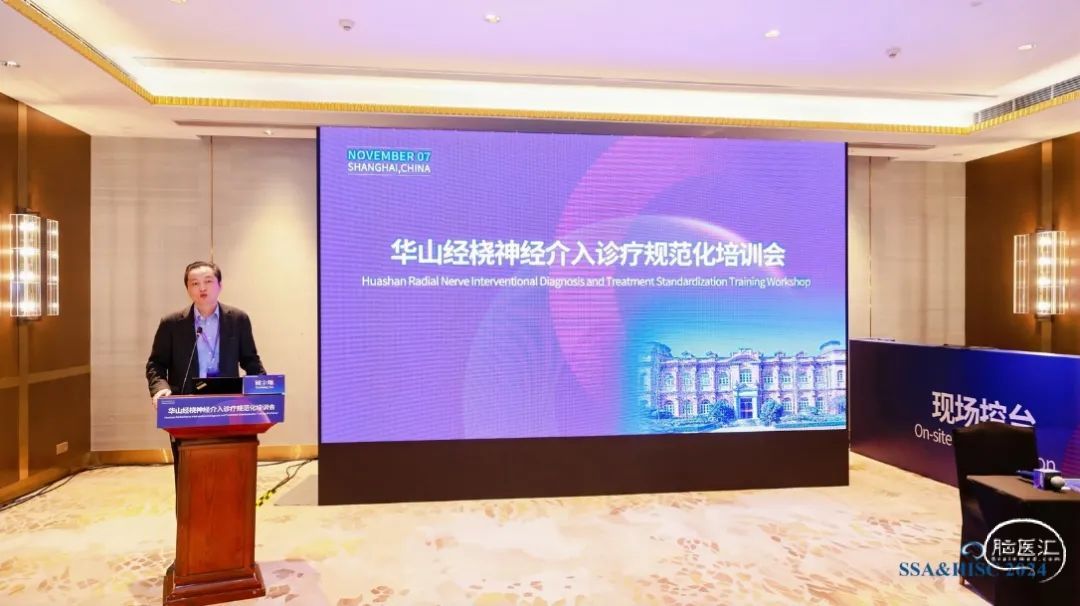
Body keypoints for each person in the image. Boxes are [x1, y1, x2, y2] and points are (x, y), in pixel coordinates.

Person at [146, 261, 267, 474]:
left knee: (229, 469)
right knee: (190, 472)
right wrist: (160, 389)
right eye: (195, 283)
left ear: (220, 285)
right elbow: (156, 363)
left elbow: (250, 360)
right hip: (187, 405)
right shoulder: (172, 323)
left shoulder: (238, 319)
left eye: (208, 281)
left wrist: (264, 388)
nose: (202, 288)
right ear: (187, 288)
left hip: (228, 404)